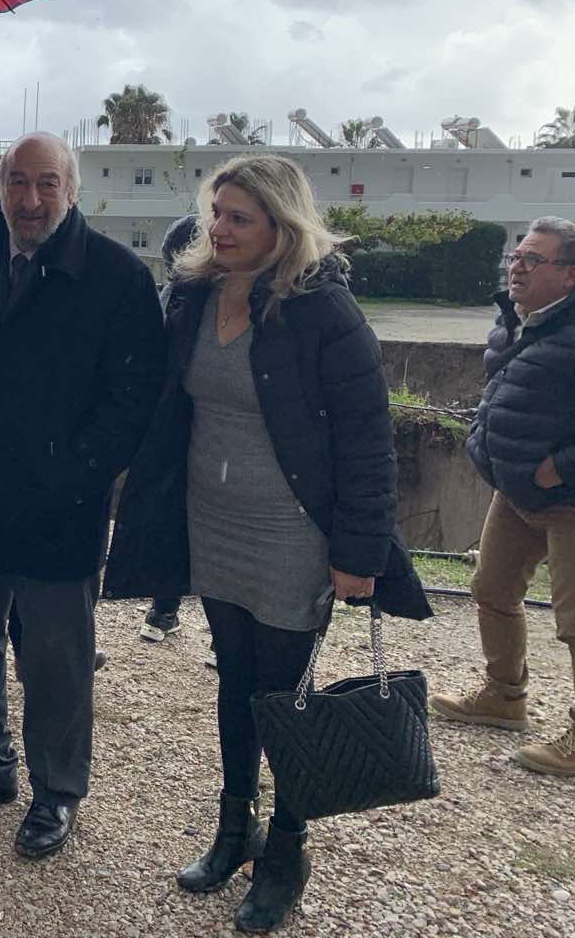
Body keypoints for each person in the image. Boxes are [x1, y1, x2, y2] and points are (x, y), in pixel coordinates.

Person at [105, 152, 431, 934]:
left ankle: (287, 847)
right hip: (210, 518)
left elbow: (367, 440)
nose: (219, 229)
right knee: (236, 679)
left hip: (292, 530)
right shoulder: (192, 292)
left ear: (282, 227)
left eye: (239, 218)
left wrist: (358, 552)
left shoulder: (324, 311)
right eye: (216, 213)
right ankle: (234, 825)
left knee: (286, 695)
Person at [0, 133, 166, 860]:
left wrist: (77, 473)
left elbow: (133, 397)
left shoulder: (117, 276)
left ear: (71, 190)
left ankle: (57, 789)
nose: (30, 200)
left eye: (46, 183)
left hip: (61, 502)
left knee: (56, 659)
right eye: (17, 183)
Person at [433, 216, 575, 776]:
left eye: (533, 259)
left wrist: (561, 469)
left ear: (572, 274)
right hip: (515, 491)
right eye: (516, 256)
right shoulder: (519, 319)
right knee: (491, 589)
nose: (517, 267)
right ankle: (504, 696)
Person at [140, 213, 199, 645]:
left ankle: (163, 610)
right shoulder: (221, 300)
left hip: (172, 430)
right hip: (192, 431)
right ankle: (171, 612)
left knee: (173, 521)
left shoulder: (169, 298)